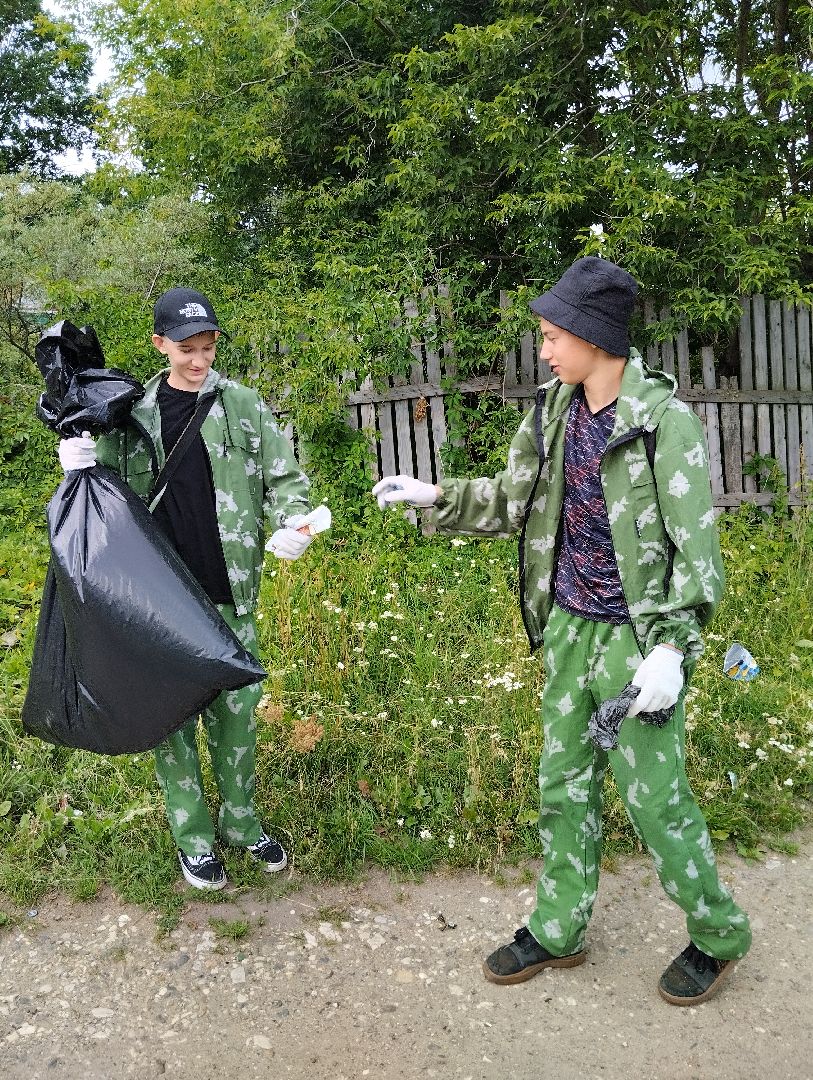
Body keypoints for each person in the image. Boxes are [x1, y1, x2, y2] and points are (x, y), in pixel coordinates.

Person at [372, 257, 751, 1005]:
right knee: (562, 787)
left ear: (593, 336)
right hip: (568, 630)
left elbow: (696, 556)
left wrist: (672, 648)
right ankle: (557, 930)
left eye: (551, 336)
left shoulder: (661, 426)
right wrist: (435, 495)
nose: (543, 350)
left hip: (638, 647)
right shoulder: (553, 411)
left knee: (654, 800)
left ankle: (717, 935)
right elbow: (513, 500)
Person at [57, 287, 326, 891]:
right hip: (159, 602)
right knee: (173, 722)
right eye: (186, 348)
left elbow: (284, 477)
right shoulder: (129, 415)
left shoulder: (243, 406)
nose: (199, 359)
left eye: (207, 347)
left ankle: (241, 823)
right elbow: (101, 496)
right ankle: (194, 839)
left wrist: (297, 520)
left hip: (230, 592)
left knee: (237, 717)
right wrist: (75, 462)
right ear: (160, 345)